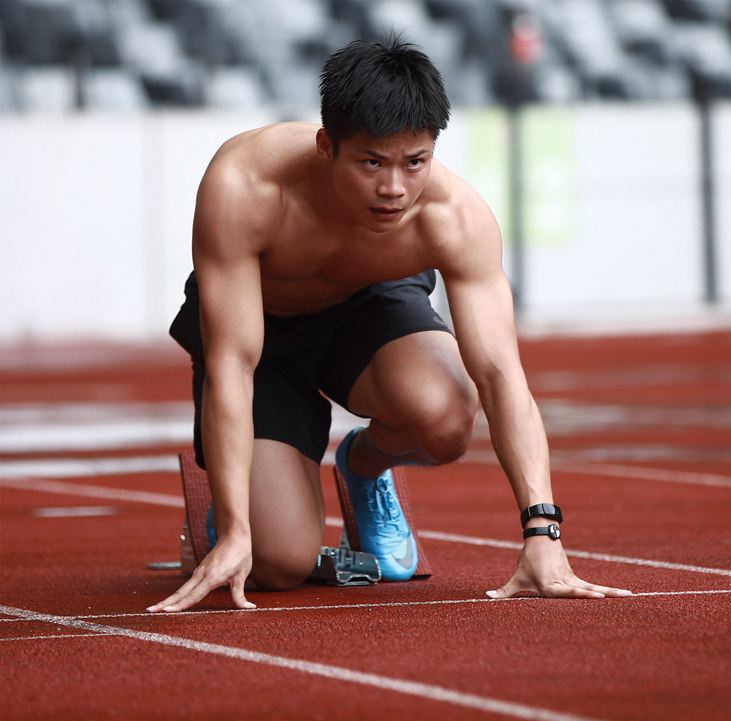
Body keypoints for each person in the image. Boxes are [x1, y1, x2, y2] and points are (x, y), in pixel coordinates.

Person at [148, 38, 631, 613]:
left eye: (415, 162)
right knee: (277, 563)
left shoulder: (454, 218)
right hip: (266, 334)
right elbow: (233, 360)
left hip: (368, 308)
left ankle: (363, 466)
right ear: (327, 146)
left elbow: (501, 373)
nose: (394, 189)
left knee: (450, 415)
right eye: (372, 162)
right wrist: (235, 532)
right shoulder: (246, 185)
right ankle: (231, 502)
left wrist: (543, 533)